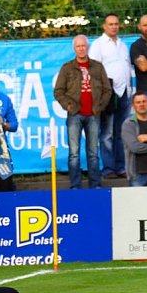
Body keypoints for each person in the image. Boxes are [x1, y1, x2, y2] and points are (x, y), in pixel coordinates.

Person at [54, 34, 112, 189]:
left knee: (93, 152)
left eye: (83, 46)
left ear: (88, 47)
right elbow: (58, 91)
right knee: (74, 153)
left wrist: (99, 107)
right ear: (74, 48)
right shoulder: (67, 68)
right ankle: (75, 185)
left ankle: (95, 184)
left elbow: (107, 89)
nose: (81, 48)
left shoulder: (98, 67)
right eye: (78, 46)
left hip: (94, 114)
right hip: (75, 115)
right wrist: (69, 106)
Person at [89, 13, 132, 179]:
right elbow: (93, 70)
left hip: (124, 93)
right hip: (108, 94)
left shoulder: (122, 45)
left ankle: (121, 166)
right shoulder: (98, 45)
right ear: (104, 26)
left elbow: (126, 68)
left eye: (116, 24)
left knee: (122, 132)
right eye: (111, 24)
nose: (114, 26)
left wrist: (130, 89)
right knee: (106, 133)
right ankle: (108, 168)